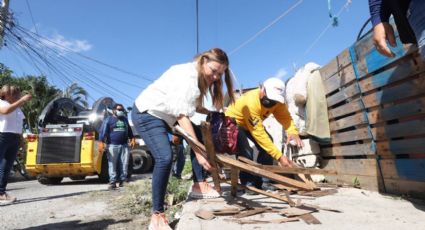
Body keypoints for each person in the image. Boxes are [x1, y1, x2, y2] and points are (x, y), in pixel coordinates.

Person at [131, 48, 235, 230]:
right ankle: (157, 217)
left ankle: (199, 185)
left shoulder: (197, 79)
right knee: (165, 158)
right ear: (203, 61)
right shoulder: (187, 77)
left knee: (199, 135)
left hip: (166, 117)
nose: (217, 77)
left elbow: (191, 106)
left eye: (220, 73)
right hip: (148, 114)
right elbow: (182, 116)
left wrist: (210, 112)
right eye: (214, 71)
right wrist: (201, 154)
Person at [225, 77, 303, 192]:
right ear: (261, 88)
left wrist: (293, 132)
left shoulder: (278, 102)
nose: (271, 103)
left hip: (251, 124)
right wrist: (279, 157)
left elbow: (286, 118)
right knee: (246, 151)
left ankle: (264, 182)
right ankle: (248, 184)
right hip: (234, 122)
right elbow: (258, 133)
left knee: (267, 145)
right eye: (269, 98)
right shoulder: (251, 101)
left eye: (274, 101)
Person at [0, 85, 32, 204]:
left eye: (18, 94)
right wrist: (22, 100)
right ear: (6, 95)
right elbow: (5, 111)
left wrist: (22, 141)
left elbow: (18, 125)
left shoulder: (17, 108)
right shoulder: (2, 103)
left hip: (14, 137)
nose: (19, 95)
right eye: (16, 94)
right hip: (2, 135)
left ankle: (1, 192)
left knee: (6, 166)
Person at [99, 104, 135, 190]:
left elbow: (129, 130)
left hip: (124, 145)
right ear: (114, 110)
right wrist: (101, 142)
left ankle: (123, 181)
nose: (121, 111)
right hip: (112, 145)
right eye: (119, 109)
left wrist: (132, 138)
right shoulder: (108, 120)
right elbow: (102, 131)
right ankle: (113, 182)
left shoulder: (125, 120)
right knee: (112, 164)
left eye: (122, 109)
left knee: (124, 164)